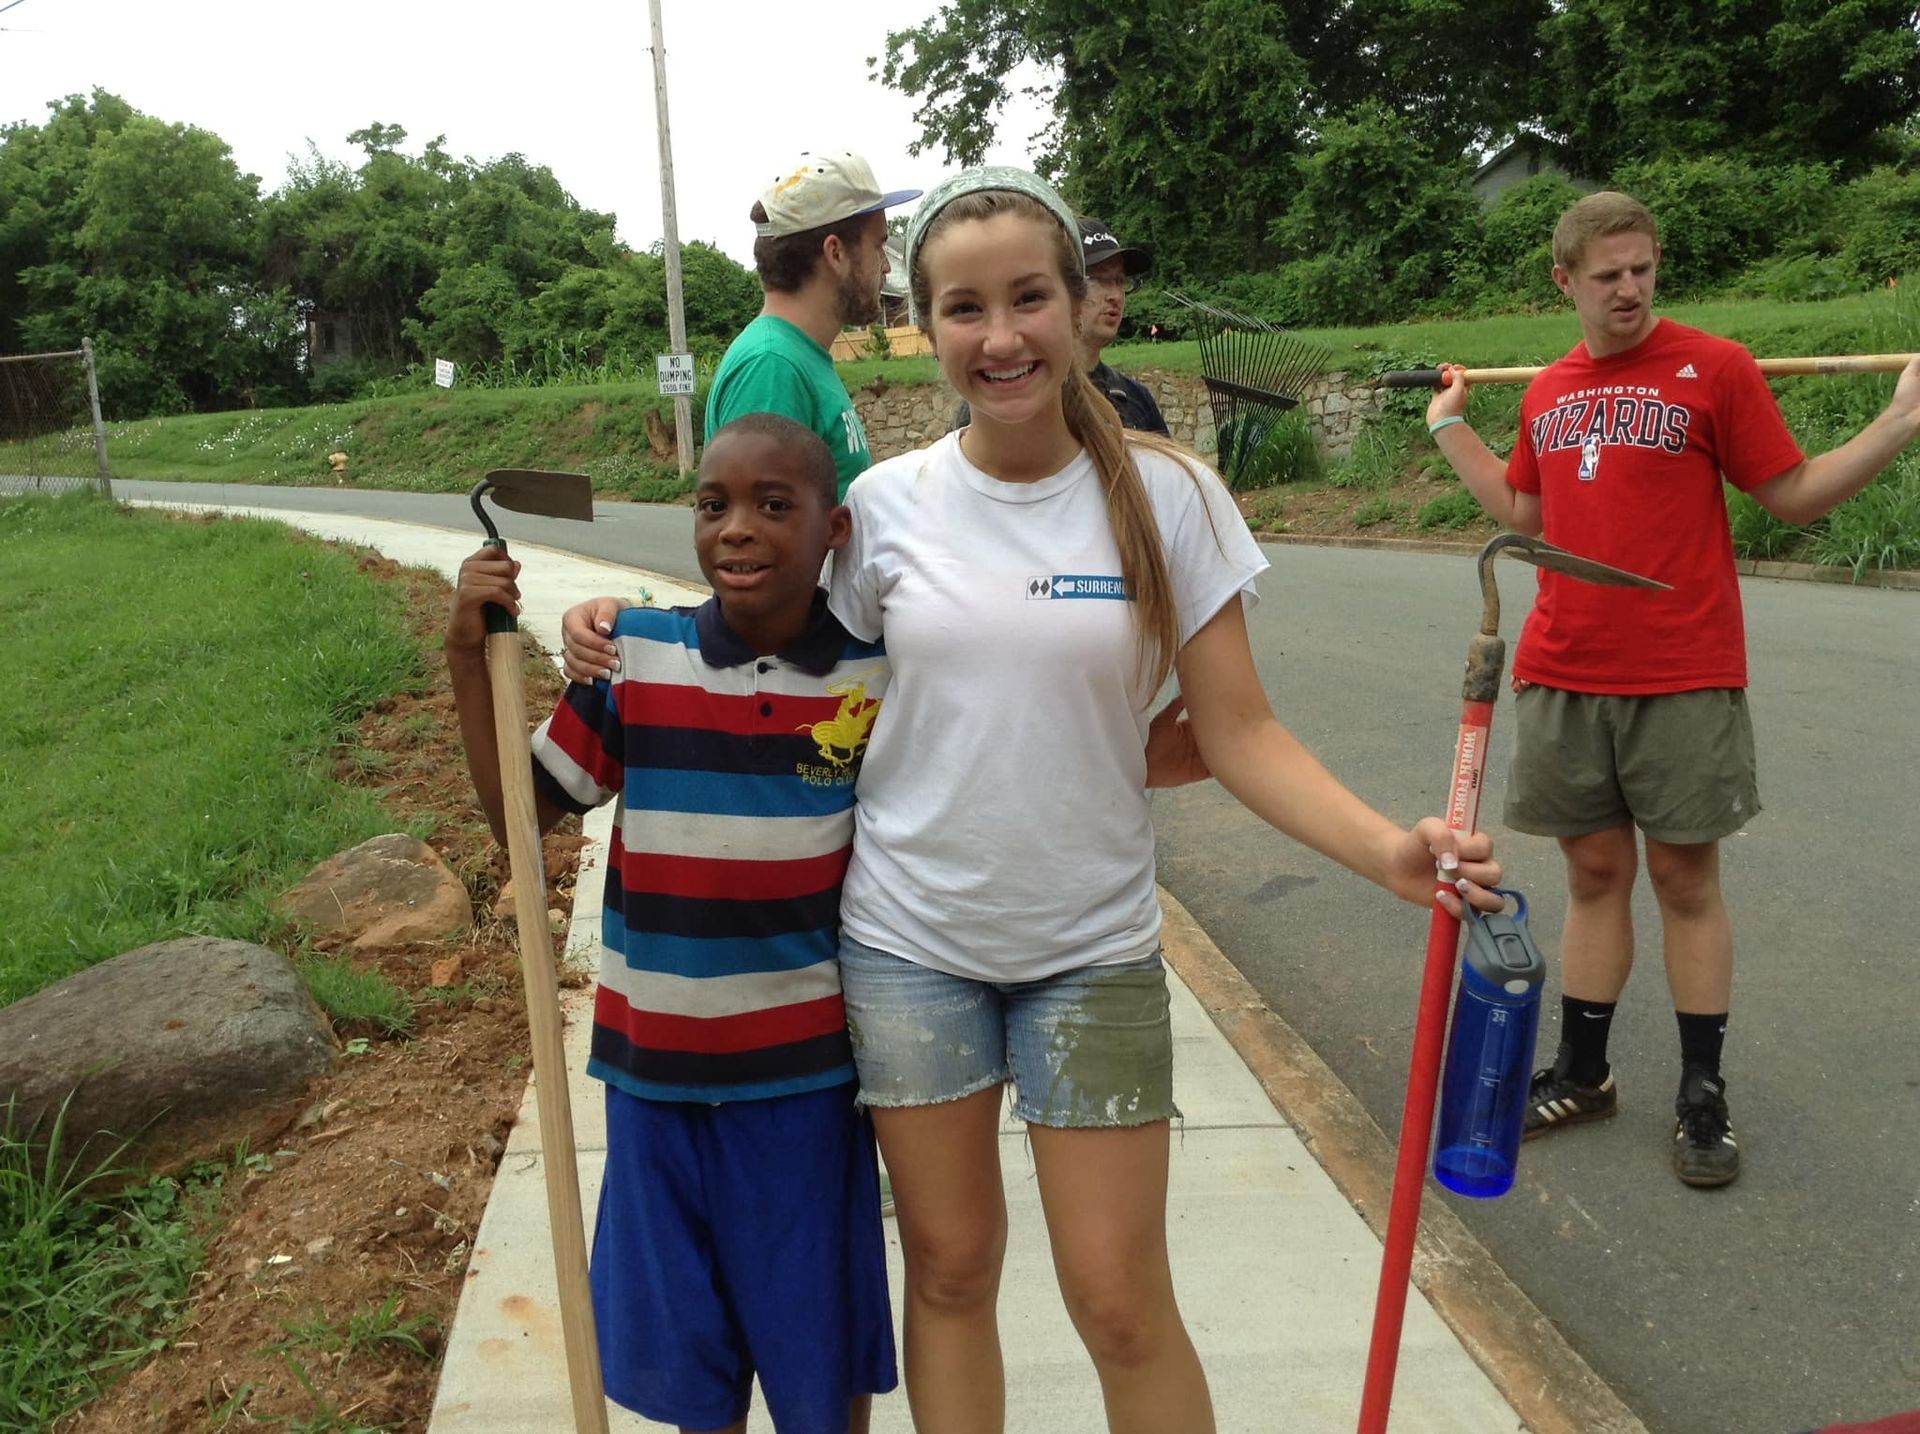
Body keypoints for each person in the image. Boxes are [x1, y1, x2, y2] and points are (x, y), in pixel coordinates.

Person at [578, 165, 1502, 1433]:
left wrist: (1388, 849)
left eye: (1027, 299)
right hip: (907, 951)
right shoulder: (883, 511)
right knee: (951, 1273)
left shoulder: (1174, 498)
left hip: (1092, 952)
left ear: (1079, 306)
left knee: (1119, 1300)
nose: (999, 336)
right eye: (963, 308)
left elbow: (1240, 732)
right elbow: (776, 661)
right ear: (926, 326)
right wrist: (618, 629)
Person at [1424, 190, 1920, 1189]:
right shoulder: (1549, 390)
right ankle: (1586, 1071)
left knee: (1686, 883)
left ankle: (1702, 1093)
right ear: (1565, 280)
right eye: (1607, 275)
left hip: (1684, 674)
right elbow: (1527, 511)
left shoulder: (1716, 369)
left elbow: (1791, 492)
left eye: (1643, 269)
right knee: (1594, 878)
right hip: (1564, 673)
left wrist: (1902, 422)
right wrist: (1449, 429)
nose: (1629, 290)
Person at [445, 413, 899, 1434]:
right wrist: (469, 658)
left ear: (833, 529)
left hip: (804, 1091)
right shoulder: (638, 660)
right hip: (652, 1086)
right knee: (691, 1372)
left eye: (773, 506)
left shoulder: (874, 680)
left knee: (817, 1366)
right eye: (713, 505)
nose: (736, 529)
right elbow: (522, 812)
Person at [709, 149, 921, 501]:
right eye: (879, 246)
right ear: (835, 253)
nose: (885, 267)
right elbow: (758, 544)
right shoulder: (772, 368)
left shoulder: (799, 356)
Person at [952, 214, 1169, 436]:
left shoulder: (1135, 397)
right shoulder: (1008, 403)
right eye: (1099, 279)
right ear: (1066, 290)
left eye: (1120, 281)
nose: (1115, 295)